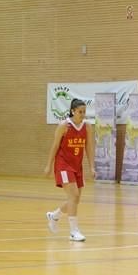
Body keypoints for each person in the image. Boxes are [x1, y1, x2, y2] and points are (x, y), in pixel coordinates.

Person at [44, 98, 94, 242]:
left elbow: (89, 147)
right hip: (63, 164)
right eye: (80, 112)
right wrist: (48, 165)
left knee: (76, 199)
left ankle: (54, 216)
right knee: (73, 195)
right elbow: (54, 146)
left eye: (84, 111)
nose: (83, 114)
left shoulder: (87, 127)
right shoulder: (64, 126)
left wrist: (91, 166)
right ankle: (73, 231)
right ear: (73, 111)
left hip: (76, 166)